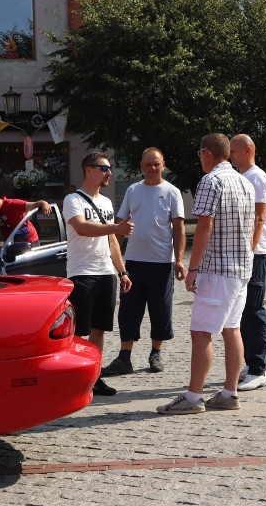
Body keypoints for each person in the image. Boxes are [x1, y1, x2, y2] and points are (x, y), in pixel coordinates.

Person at [157, 133, 255, 415]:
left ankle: (193, 396)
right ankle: (229, 392)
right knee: (231, 329)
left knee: (201, 332)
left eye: (200, 153)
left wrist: (194, 268)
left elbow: (204, 227)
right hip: (240, 269)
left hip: (217, 269)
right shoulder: (244, 181)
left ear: (206, 153)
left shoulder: (211, 181)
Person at [101, 147, 186, 377]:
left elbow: (179, 228)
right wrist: (113, 253)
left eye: (156, 164)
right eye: (148, 164)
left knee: (161, 311)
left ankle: (155, 353)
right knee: (128, 310)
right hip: (134, 262)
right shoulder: (133, 190)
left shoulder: (171, 192)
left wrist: (179, 260)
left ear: (163, 165)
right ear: (141, 166)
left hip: (161, 263)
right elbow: (120, 223)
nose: (152, 168)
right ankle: (124, 357)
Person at [63, 151, 134, 396]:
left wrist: (122, 271)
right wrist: (116, 226)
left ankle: (94, 377)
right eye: (104, 168)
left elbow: (112, 240)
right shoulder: (73, 200)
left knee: (99, 329)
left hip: (106, 273)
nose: (109, 173)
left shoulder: (105, 202)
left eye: (110, 168)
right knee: (79, 331)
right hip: (82, 273)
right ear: (89, 170)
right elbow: (82, 228)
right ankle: (75, 377)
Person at [229, 133, 266, 391]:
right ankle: (250, 362)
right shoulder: (245, 177)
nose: (231, 156)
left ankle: (259, 368)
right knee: (244, 309)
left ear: (248, 150)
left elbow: (258, 219)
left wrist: (249, 249)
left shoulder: (256, 177)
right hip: (248, 250)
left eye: (234, 151)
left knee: (254, 308)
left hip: (255, 252)